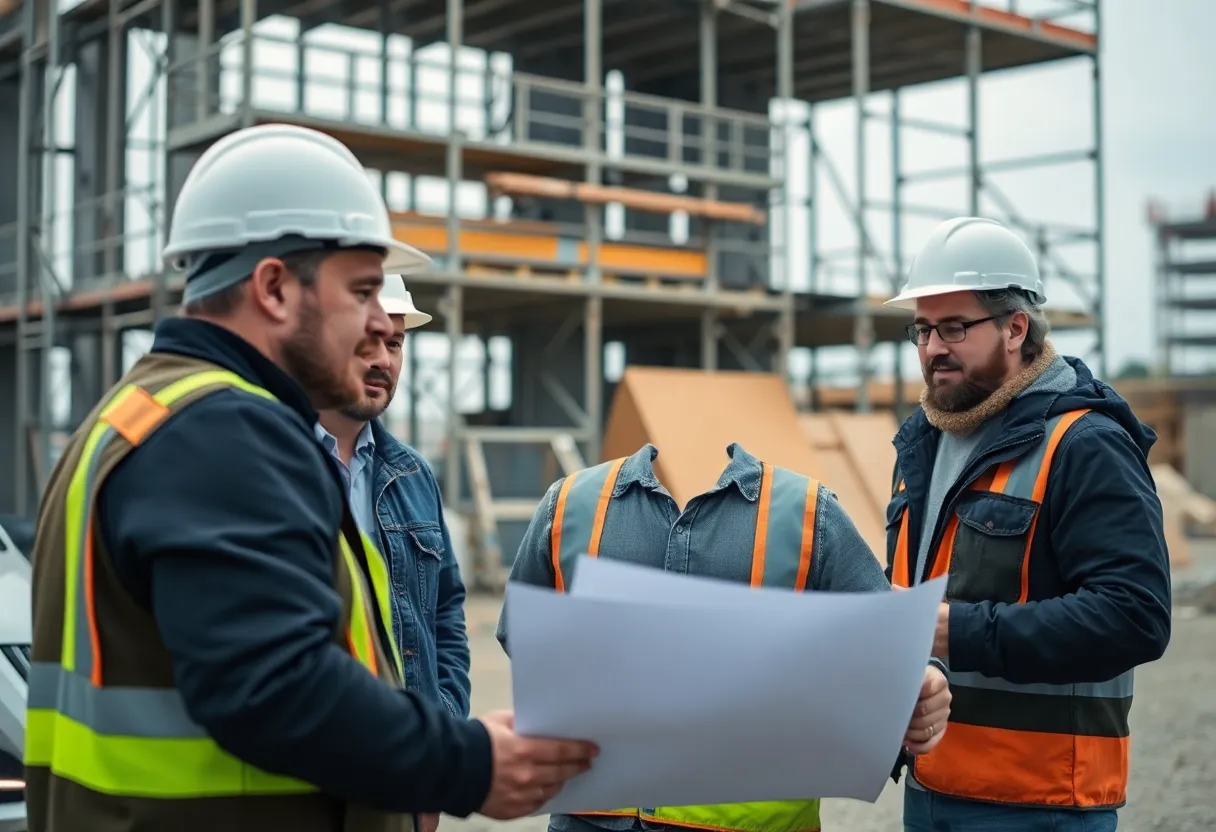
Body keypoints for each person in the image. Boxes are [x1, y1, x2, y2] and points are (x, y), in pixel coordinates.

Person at [22, 122, 597, 832]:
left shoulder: (136, 416)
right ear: (272, 288)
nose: (371, 327)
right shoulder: (225, 430)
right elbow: (273, 684)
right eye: (359, 293)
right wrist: (468, 762)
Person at [498, 441, 953, 832]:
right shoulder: (571, 504)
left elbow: (886, 648)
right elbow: (527, 635)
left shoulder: (811, 514)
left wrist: (922, 678)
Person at [883, 216, 1172, 831]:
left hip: (1041, 803)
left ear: (1016, 327)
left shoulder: (1085, 443)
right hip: (932, 786)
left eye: (955, 327)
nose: (934, 348)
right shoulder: (923, 445)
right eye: (923, 330)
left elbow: (1134, 617)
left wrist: (954, 630)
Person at [316, 274, 468, 832]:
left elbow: (446, 614)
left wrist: (440, 740)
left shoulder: (412, 476)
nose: (384, 358)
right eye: (369, 339)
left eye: (397, 343)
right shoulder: (275, 465)